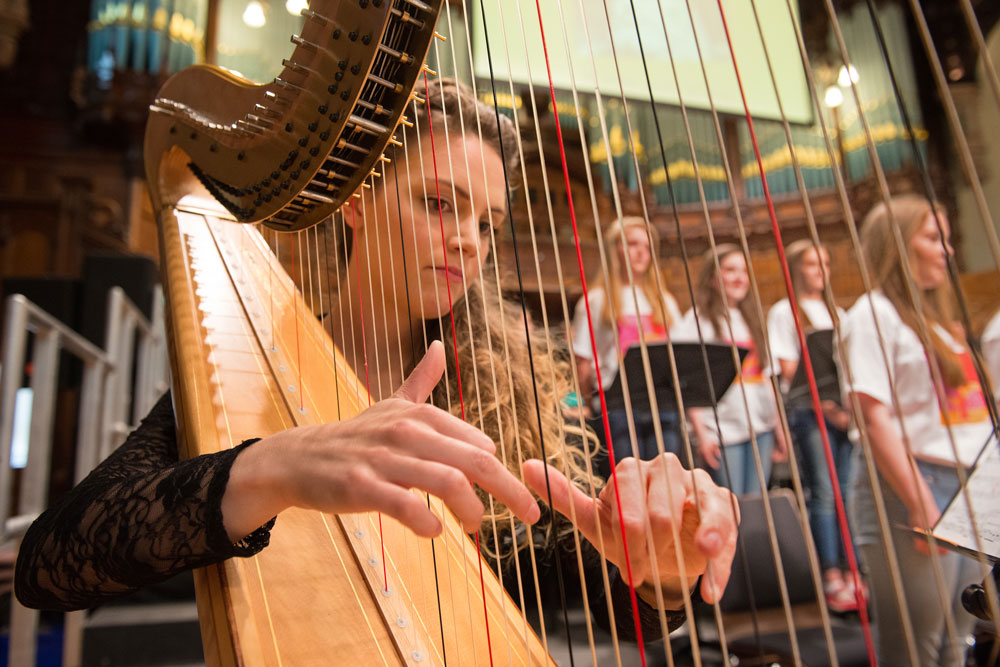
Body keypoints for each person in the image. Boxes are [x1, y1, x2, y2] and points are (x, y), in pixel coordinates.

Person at [15, 79, 739, 645]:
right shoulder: (249, 375)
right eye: (437, 203)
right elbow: (49, 565)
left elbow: (544, 582)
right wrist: (278, 464)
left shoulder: (495, 386)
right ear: (358, 200)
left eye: (485, 222)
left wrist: (658, 575)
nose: (469, 241)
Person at [845, 195, 989, 665]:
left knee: (959, 638)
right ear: (897, 247)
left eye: (946, 238)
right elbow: (873, 417)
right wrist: (919, 500)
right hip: (913, 485)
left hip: (969, 486)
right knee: (917, 644)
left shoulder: (936, 321)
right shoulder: (873, 314)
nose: (946, 249)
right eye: (932, 238)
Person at [766, 239, 858, 612]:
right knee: (823, 492)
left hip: (842, 415)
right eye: (810, 263)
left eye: (825, 262)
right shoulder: (784, 312)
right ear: (795, 268)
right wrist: (828, 406)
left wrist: (844, 408)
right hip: (810, 413)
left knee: (848, 494)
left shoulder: (837, 312)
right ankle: (831, 574)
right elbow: (789, 370)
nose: (820, 270)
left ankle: (855, 572)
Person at [673, 244, 785, 497]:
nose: (739, 277)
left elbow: (766, 376)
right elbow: (688, 382)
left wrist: (779, 427)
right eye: (730, 270)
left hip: (761, 426)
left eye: (743, 271)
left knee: (758, 504)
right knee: (731, 504)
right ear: (713, 277)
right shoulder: (696, 320)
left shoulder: (752, 318)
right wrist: (701, 434)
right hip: (722, 429)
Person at [571, 216, 682, 468]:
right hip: (617, 406)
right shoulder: (596, 300)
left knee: (667, 479)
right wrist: (590, 405)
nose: (642, 252)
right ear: (615, 249)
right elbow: (583, 362)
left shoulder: (665, 301)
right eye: (633, 244)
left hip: (661, 404)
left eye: (647, 245)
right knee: (629, 481)